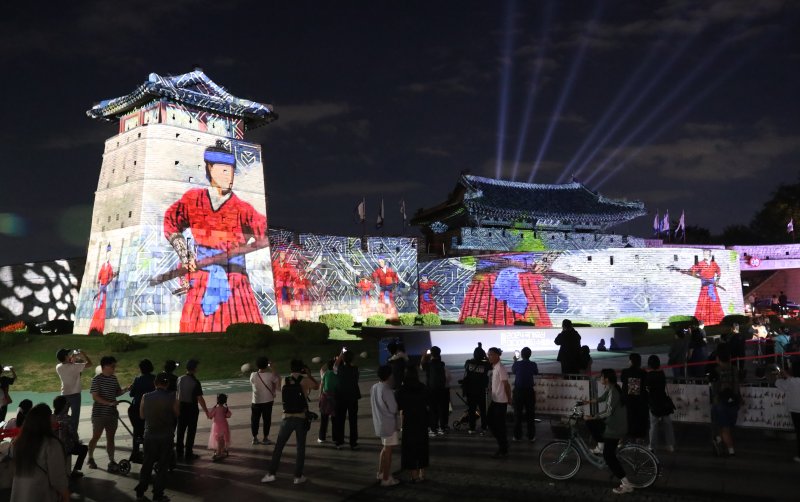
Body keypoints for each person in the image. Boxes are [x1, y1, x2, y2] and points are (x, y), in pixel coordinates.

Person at [163, 140, 268, 333]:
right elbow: (171, 222)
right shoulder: (193, 199)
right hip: (202, 277)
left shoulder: (243, 208)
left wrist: (244, 248)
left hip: (234, 279)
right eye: (223, 170)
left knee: (239, 323)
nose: (229, 177)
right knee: (197, 328)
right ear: (210, 169)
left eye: (231, 171)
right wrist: (185, 255)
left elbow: (264, 234)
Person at [261, 359, 319, 485]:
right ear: (302, 369)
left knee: (279, 447)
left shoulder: (284, 381)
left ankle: (271, 473)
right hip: (301, 418)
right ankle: (298, 477)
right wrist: (308, 374)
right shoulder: (305, 380)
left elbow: (279, 387)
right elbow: (317, 386)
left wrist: (274, 369)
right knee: (300, 448)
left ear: (291, 369)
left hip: (286, 418)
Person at [584, 369, 633, 495]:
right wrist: (588, 402)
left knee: (609, 456)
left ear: (606, 379)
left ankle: (626, 484)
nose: (600, 379)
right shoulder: (611, 388)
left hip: (615, 427)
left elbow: (608, 412)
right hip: (613, 424)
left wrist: (593, 416)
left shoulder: (613, 392)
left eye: (601, 377)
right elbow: (601, 398)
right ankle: (600, 446)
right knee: (590, 423)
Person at [10, 403, 70, 502]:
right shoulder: (52, 444)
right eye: (50, 415)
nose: (53, 418)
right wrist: (66, 495)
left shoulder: (18, 442)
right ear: (45, 421)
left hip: (20, 494)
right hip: (40, 494)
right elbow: (57, 478)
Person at [136, 372, 179, 502]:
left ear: (155, 383)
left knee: (147, 463)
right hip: (166, 436)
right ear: (167, 384)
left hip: (150, 435)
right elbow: (177, 413)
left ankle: (140, 491)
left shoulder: (145, 396)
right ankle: (158, 494)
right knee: (163, 465)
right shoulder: (173, 396)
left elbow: (142, 416)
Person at [88, 355, 128, 472]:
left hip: (111, 414)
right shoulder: (96, 379)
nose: (114, 368)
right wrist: (109, 403)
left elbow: (117, 392)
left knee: (111, 438)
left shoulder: (113, 379)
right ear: (105, 366)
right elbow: (95, 397)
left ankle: (111, 460)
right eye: (112, 366)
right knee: (96, 436)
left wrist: (126, 390)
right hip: (99, 414)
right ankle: (90, 457)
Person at [396, 366, 430, 483]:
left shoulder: (402, 389)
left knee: (410, 448)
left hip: (409, 421)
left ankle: (414, 475)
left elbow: (399, 407)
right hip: (422, 420)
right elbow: (428, 403)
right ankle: (422, 473)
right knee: (422, 446)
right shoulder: (423, 387)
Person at [370, 365, 400, 487]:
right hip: (388, 424)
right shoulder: (386, 389)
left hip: (379, 423)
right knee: (388, 451)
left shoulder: (375, 387)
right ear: (389, 375)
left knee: (384, 448)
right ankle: (386, 478)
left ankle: (381, 473)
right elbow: (393, 408)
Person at [709, 344, 741, 456]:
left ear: (718, 359)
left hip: (721, 403)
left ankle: (730, 450)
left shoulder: (716, 371)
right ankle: (718, 439)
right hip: (734, 401)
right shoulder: (734, 369)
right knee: (728, 426)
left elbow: (714, 389)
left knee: (723, 427)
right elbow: (737, 385)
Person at [176, 359, 208, 461]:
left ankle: (179, 452)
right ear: (195, 368)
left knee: (180, 431)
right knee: (191, 431)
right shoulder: (195, 382)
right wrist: (207, 411)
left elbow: (177, 395)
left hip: (181, 407)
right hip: (192, 409)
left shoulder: (179, 379)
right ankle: (188, 453)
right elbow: (200, 399)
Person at [56, 348, 93, 435]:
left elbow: (68, 364)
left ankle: (62, 434)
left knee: (61, 416)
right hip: (75, 395)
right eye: (68, 355)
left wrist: (72, 357)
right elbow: (90, 364)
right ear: (65, 357)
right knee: (75, 418)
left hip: (64, 395)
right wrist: (84, 354)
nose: (69, 355)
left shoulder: (58, 367)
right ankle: (73, 437)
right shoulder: (75, 366)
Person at [53, 396, 89, 479]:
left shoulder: (52, 417)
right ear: (64, 406)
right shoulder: (68, 419)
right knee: (84, 449)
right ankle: (75, 471)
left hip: (53, 447)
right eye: (68, 405)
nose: (69, 407)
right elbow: (73, 434)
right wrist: (77, 441)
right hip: (66, 447)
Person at [645, 355, 675, 452]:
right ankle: (670, 445)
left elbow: (647, 388)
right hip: (663, 401)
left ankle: (652, 446)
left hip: (654, 402)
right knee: (667, 424)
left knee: (654, 425)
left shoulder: (649, 376)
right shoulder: (662, 373)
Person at [333, 349, 361, 450]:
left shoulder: (339, 369)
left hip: (340, 397)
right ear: (352, 359)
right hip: (353, 396)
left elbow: (334, 365)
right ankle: (353, 442)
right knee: (353, 420)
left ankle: (339, 442)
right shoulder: (356, 369)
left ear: (343, 359)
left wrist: (341, 354)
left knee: (339, 420)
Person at [128, 359, 156, 462]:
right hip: (150, 408)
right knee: (149, 430)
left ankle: (135, 453)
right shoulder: (155, 378)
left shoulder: (138, 379)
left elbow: (132, 394)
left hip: (136, 408)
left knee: (137, 431)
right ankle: (149, 453)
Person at [773, 356, 800, 462]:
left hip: (795, 410)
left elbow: (777, 383)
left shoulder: (790, 381)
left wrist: (782, 375)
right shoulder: (790, 380)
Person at [486, 347, 511, 458]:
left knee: (499, 426)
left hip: (501, 401)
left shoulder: (500, 368)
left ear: (497, 355)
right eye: (488, 354)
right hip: (495, 400)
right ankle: (503, 444)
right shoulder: (494, 367)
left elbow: (506, 384)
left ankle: (503, 448)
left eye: (491, 354)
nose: (489, 356)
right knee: (490, 421)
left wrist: (509, 398)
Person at [249, 356, 280, 446]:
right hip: (268, 401)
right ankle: (265, 438)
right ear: (267, 365)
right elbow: (277, 380)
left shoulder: (253, 375)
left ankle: (254, 438)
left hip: (256, 402)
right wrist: (273, 368)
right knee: (267, 420)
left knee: (255, 420)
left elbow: (252, 382)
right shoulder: (270, 375)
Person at [420, 346, 450, 436]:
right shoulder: (442, 364)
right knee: (442, 409)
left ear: (431, 354)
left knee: (433, 410)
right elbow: (448, 377)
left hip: (431, 390)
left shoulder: (428, 364)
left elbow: (421, 366)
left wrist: (424, 356)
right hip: (442, 390)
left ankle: (433, 429)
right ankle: (442, 428)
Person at [511, 347, 538, 442]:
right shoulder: (533, 364)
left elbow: (513, 371)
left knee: (517, 414)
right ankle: (531, 436)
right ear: (530, 355)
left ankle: (517, 436)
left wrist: (515, 361)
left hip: (518, 392)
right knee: (530, 415)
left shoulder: (517, 364)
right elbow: (536, 372)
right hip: (529, 392)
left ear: (521, 355)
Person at [462, 344, 490, 435]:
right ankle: (484, 427)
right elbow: (490, 364)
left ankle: (472, 428)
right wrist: (484, 355)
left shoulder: (468, 362)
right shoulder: (485, 364)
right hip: (481, 391)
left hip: (470, 391)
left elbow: (466, 367)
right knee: (483, 410)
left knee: (471, 410)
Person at [620, 353, 649, 442]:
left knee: (630, 418)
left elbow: (622, 380)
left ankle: (630, 437)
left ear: (631, 361)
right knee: (639, 419)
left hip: (629, 400)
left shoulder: (625, 372)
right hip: (640, 401)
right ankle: (639, 438)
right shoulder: (643, 373)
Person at [318, 357, 338, 443]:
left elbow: (321, 385)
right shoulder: (337, 373)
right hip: (334, 397)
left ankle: (322, 437)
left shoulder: (325, 373)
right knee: (334, 419)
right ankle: (335, 437)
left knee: (324, 418)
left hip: (325, 397)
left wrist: (320, 396)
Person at [207, 393, 231, 460]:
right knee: (222, 439)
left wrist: (209, 413)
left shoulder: (215, 408)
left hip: (216, 426)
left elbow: (210, 416)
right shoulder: (225, 408)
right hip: (224, 425)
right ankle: (222, 450)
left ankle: (219, 452)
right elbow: (229, 415)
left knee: (218, 439)